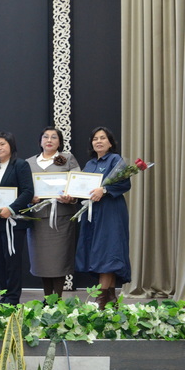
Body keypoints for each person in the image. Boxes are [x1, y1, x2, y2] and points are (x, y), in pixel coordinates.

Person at [75, 126, 131, 309]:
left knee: (108, 252)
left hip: (111, 212)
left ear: (110, 142)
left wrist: (105, 190)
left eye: (102, 138)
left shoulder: (116, 160)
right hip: (93, 214)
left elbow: (125, 183)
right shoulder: (90, 164)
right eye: (95, 139)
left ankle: (100, 300)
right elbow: (81, 188)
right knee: (101, 253)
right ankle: (111, 299)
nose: (98, 141)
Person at [26, 126, 80, 298]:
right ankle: (48, 298)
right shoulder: (29, 163)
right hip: (37, 219)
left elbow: (77, 183)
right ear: (40, 141)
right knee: (42, 260)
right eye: (45, 137)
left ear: (60, 142)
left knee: (59, 259)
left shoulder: (68, 159)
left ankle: (58, 298)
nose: (49, 140)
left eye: (54, 137)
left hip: (61, 217)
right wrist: (29, 198)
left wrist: (71, 197)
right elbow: (24, 188)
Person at [0, 131, 34, 305]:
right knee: (0, 260)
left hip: (13, 222)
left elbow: (28, 192)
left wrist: (11, 209)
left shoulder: (20, 165)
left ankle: (13, 297)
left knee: (12, 260)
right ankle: (4, 294)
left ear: (11, 146)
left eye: (2, 144)